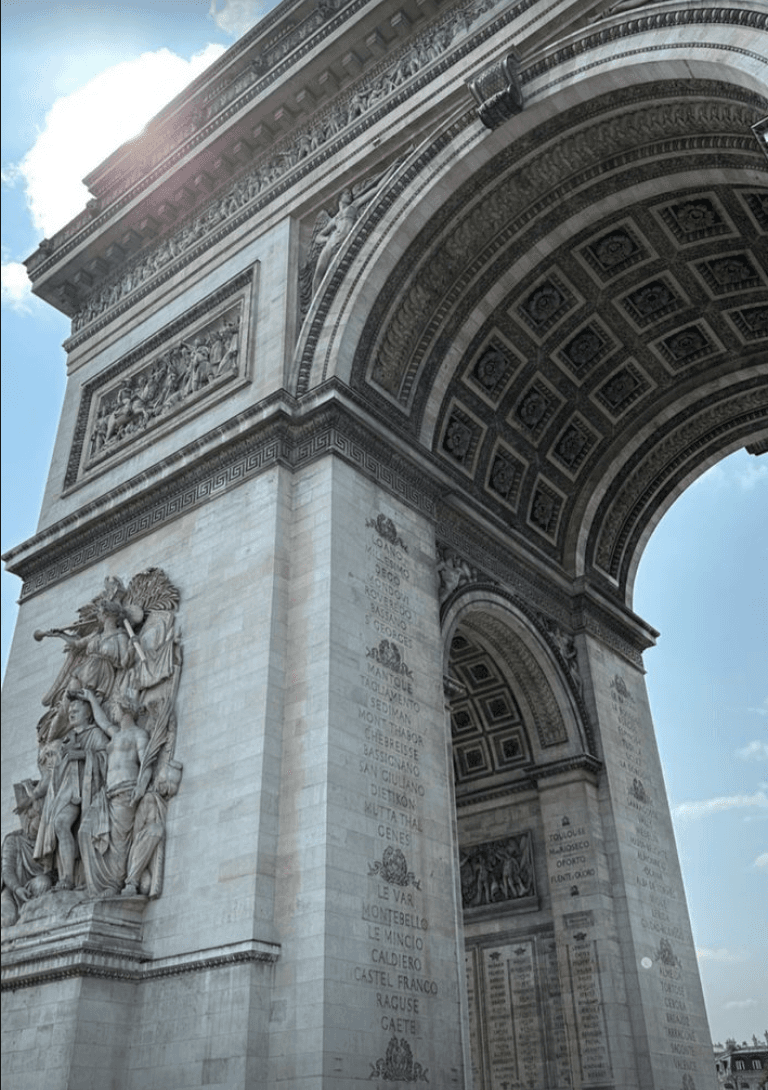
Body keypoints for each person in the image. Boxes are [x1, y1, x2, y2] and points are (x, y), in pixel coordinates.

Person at [77, 688, 149, 897]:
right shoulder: (116, 734)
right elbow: (102, 722)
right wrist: (91, 698)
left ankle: (114, 884)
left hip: (126, 790)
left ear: (124, 708)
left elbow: (146, 764)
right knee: (85, 831)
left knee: (118, 842)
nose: (113, 713)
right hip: (107, 794)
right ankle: (94, 884)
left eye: (115, 708)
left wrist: (141, 787)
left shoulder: (139, 734)